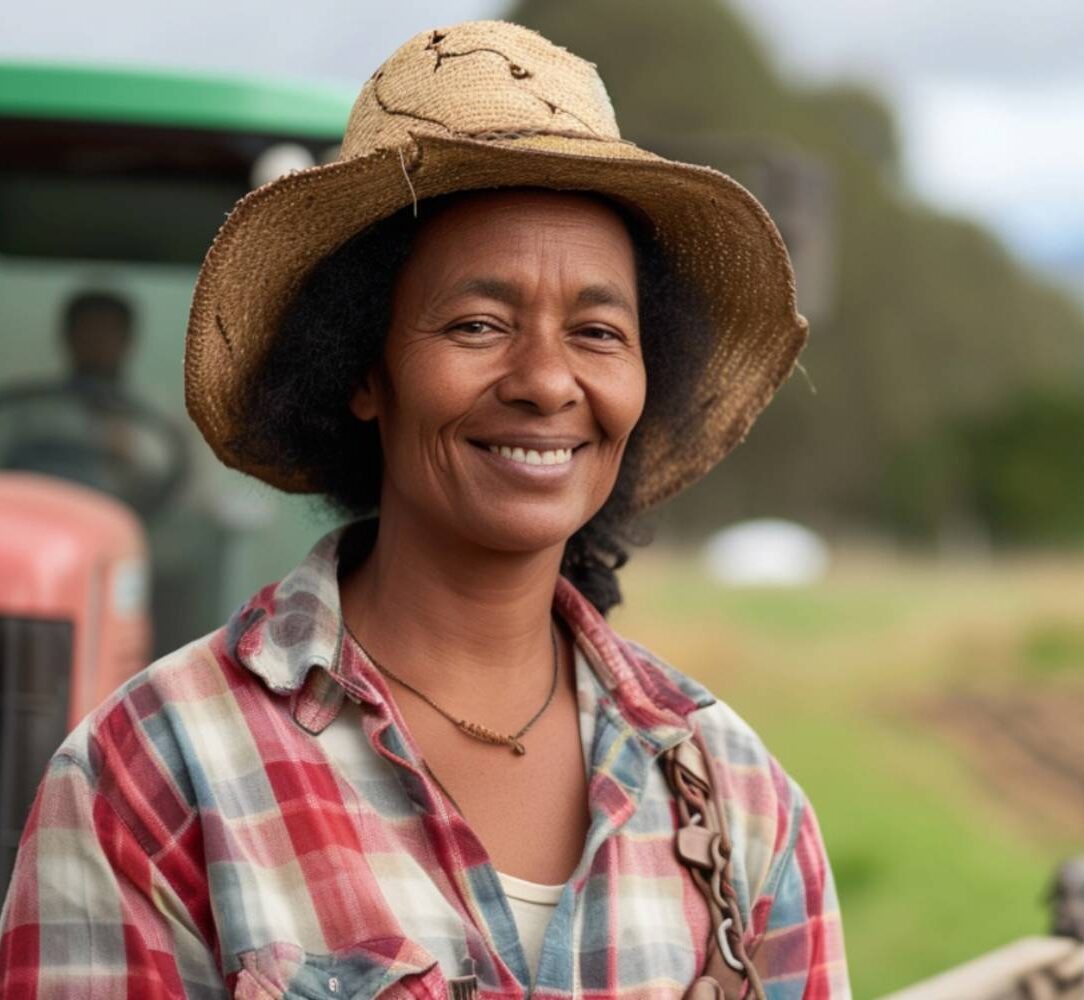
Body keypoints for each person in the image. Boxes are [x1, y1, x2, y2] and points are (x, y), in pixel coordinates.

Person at [0, 21, 849, 999]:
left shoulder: (741, 803)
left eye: (597, 330)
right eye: (477, 324)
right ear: (363, 366)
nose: (544, 380)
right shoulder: (154, 775)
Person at [0, 290, 188, 519]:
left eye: (107, 332)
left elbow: (183, 496)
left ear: (128, 340)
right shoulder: (26, 409)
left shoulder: (161, 419)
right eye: (86, 331)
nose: (96, 342)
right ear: (67, 336)